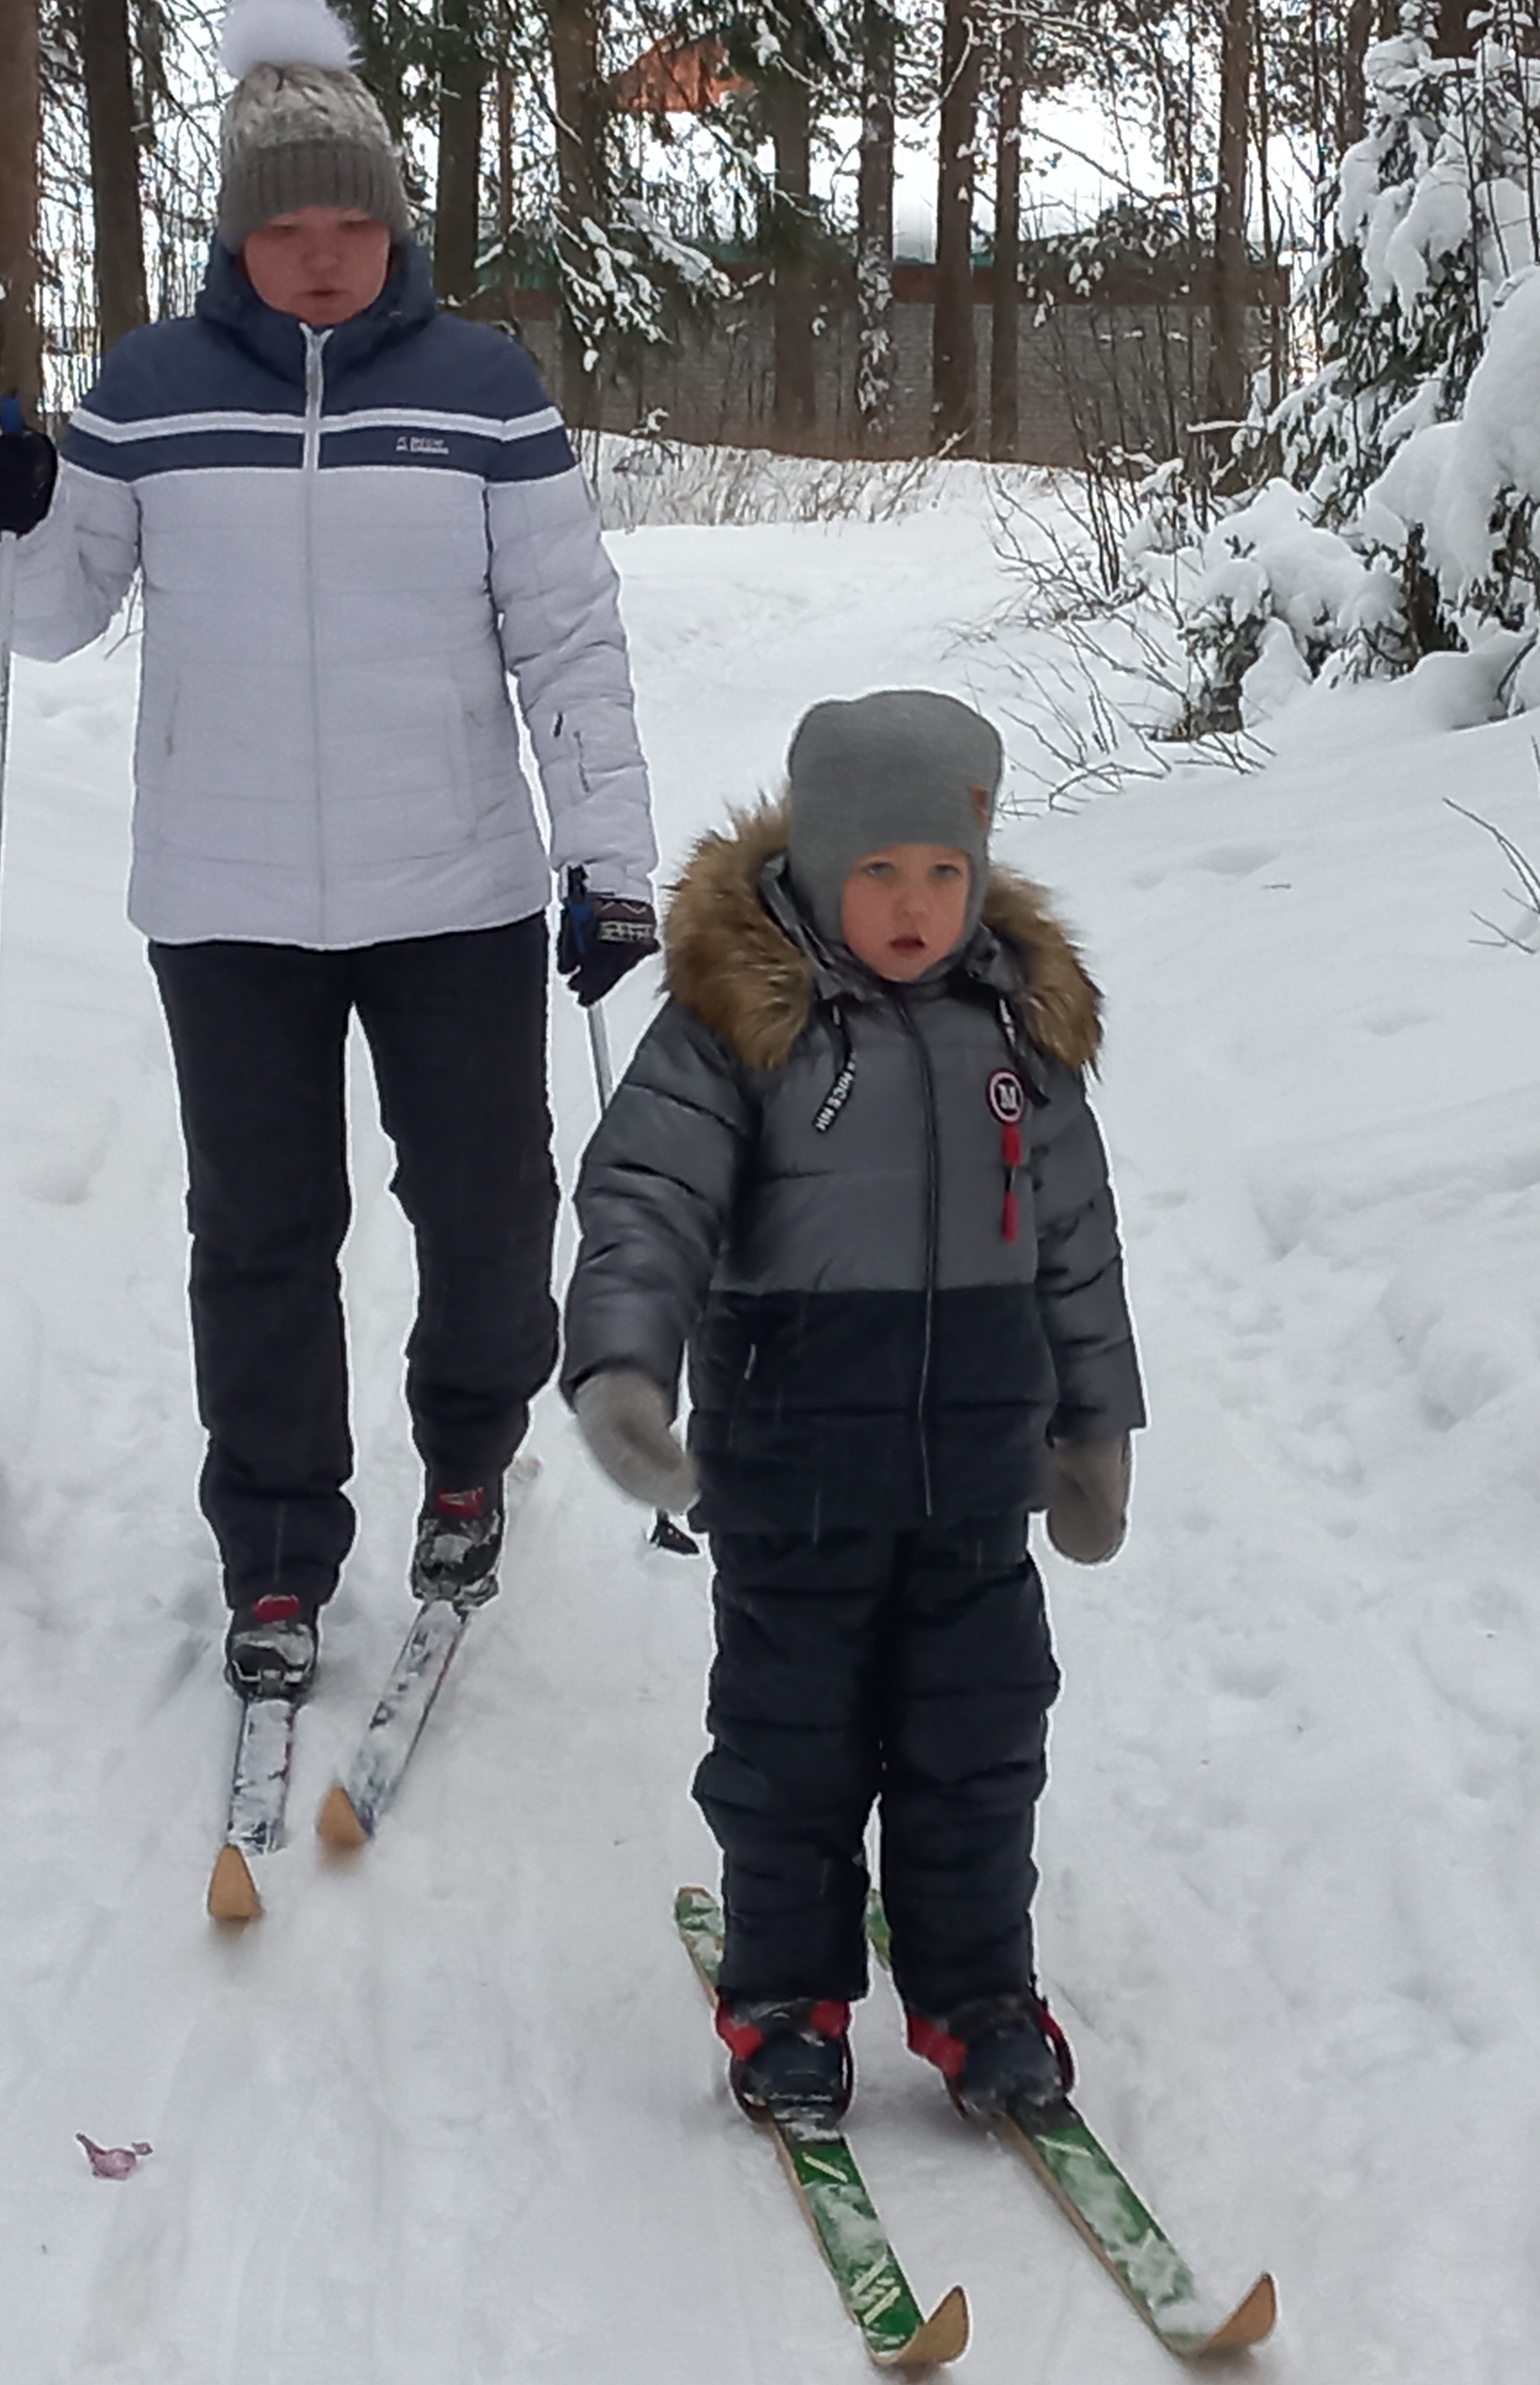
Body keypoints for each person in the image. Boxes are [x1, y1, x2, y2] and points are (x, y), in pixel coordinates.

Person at [0, 0, 660, 1702]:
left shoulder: (484, 391)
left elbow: (566, 640)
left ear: (396, 226)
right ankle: (275, 1551)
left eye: (354, 224)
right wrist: (4, 512)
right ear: (237, 233)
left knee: (488, 1212)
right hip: (226, 897)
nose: (324, 258)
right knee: (261, 1234)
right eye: (289, 227)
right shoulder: (151, 389)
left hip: (459, 890)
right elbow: (47, 624)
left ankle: (470, 1465)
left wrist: (607, 861)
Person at [561, 690, 1142, 2125]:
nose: (910, 904)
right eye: (877, 871)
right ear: (817, 862)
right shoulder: (733, 1024)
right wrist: (624, 1366)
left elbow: (1076, 1239)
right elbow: (646, 1201)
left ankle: (976, 1996)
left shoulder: (1020, 1028)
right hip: (790, 1473)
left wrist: (1095, 1427)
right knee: (790, 1749)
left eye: (941, 872)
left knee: (980, 1743)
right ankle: (785, 1997)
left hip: (970, 1481)